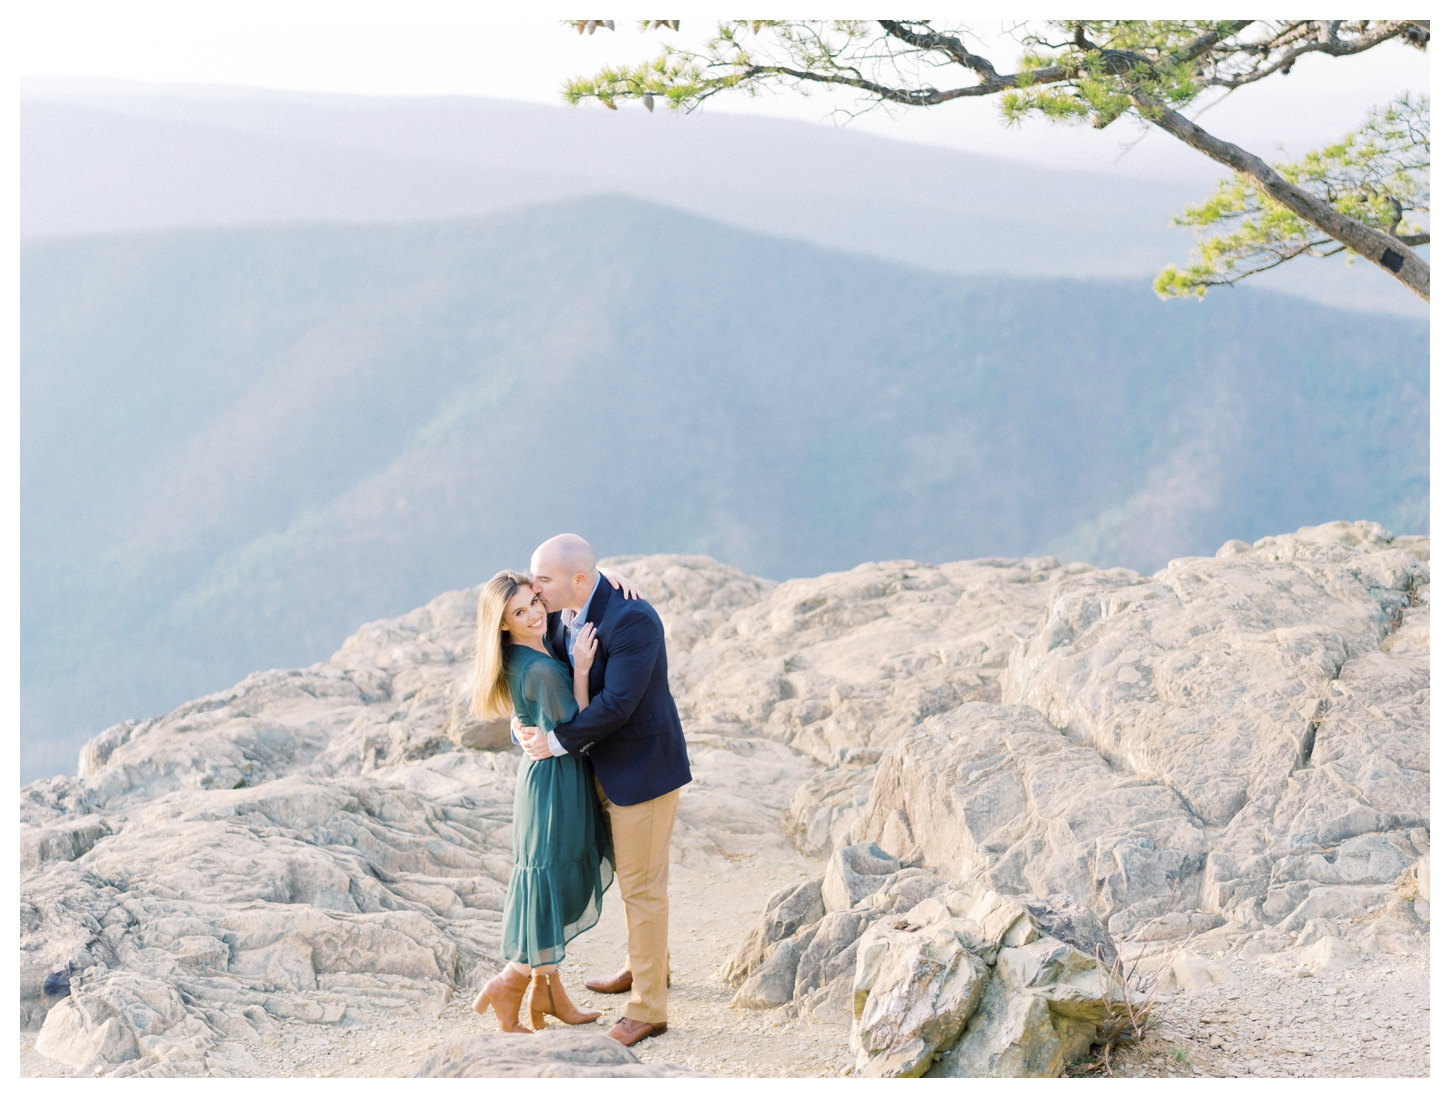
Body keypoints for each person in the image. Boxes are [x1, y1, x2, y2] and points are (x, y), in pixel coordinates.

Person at [515, 533, 692, 1048]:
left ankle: (648, 1010)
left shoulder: (633, 618)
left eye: (542, 579)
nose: (534, 586)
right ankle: (646, 968)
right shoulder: (561, 610)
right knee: (633, 876)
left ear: (577, 580)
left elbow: (618, 704)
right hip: (602, 770)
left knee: (642, 887)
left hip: (643, 773)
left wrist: (554, 743)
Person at [468, 569, 616, 1034]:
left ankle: (549, 994)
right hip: (556, 780)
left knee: (548, 880)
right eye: (520, 611)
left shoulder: (521, 654)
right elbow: (579, 723)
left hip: (541, 778)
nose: (535, 614)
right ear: (503, 624)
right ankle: (509, 983)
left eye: (534, 601)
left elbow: (530, 715)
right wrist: (584, 668)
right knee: (554, 882)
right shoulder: (539, 667)